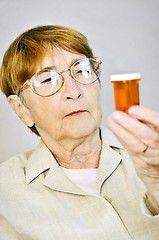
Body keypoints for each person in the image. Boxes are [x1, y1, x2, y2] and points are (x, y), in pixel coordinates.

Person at [0, 25, 159, 240]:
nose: (74, 91)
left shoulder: (152, 155)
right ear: (21, 108)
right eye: (47, 79)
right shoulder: (5, 192)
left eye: (82, 70)